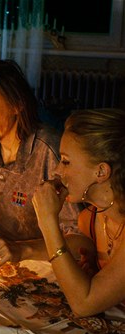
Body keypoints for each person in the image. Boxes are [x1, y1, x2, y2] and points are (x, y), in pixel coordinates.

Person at [0, 59, 89, 271]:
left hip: (48, 268)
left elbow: (83, 244)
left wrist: (20, 249)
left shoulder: (50, 152)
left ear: (16, 104)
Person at [32, 108, 125, 317]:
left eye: (65, 161)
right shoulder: (90, 220)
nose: (57, 171)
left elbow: (83, 304)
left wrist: (47, 221)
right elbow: (80, 247)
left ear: (101, 172)